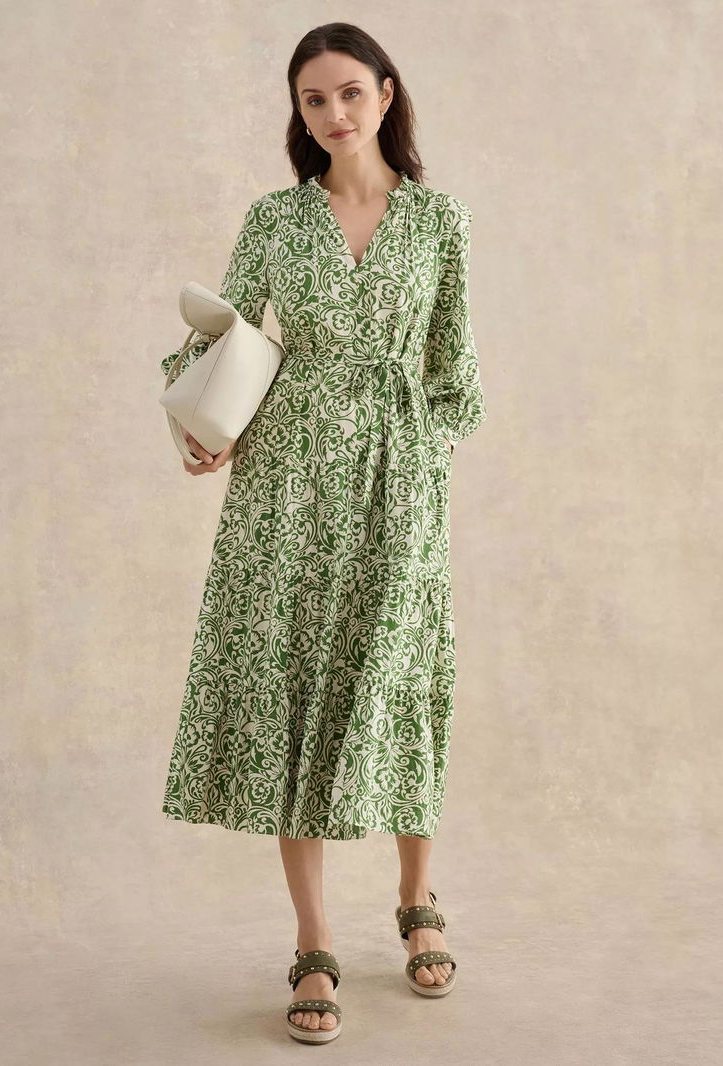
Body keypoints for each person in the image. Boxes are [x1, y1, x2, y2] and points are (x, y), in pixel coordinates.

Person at [159, 21, 487, 1043]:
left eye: (350, 91)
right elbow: (213, 340)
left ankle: (417, 897)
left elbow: (454, 371)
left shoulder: (438, 221)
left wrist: (424, 463)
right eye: (313, 99)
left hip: (398, 483)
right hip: (286, 485)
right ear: (299, 114)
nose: (334, 113)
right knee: (294, 685)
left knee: (399, 677)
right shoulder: (274, 220)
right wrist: (203, 424)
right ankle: (312, 941)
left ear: (386, 94)